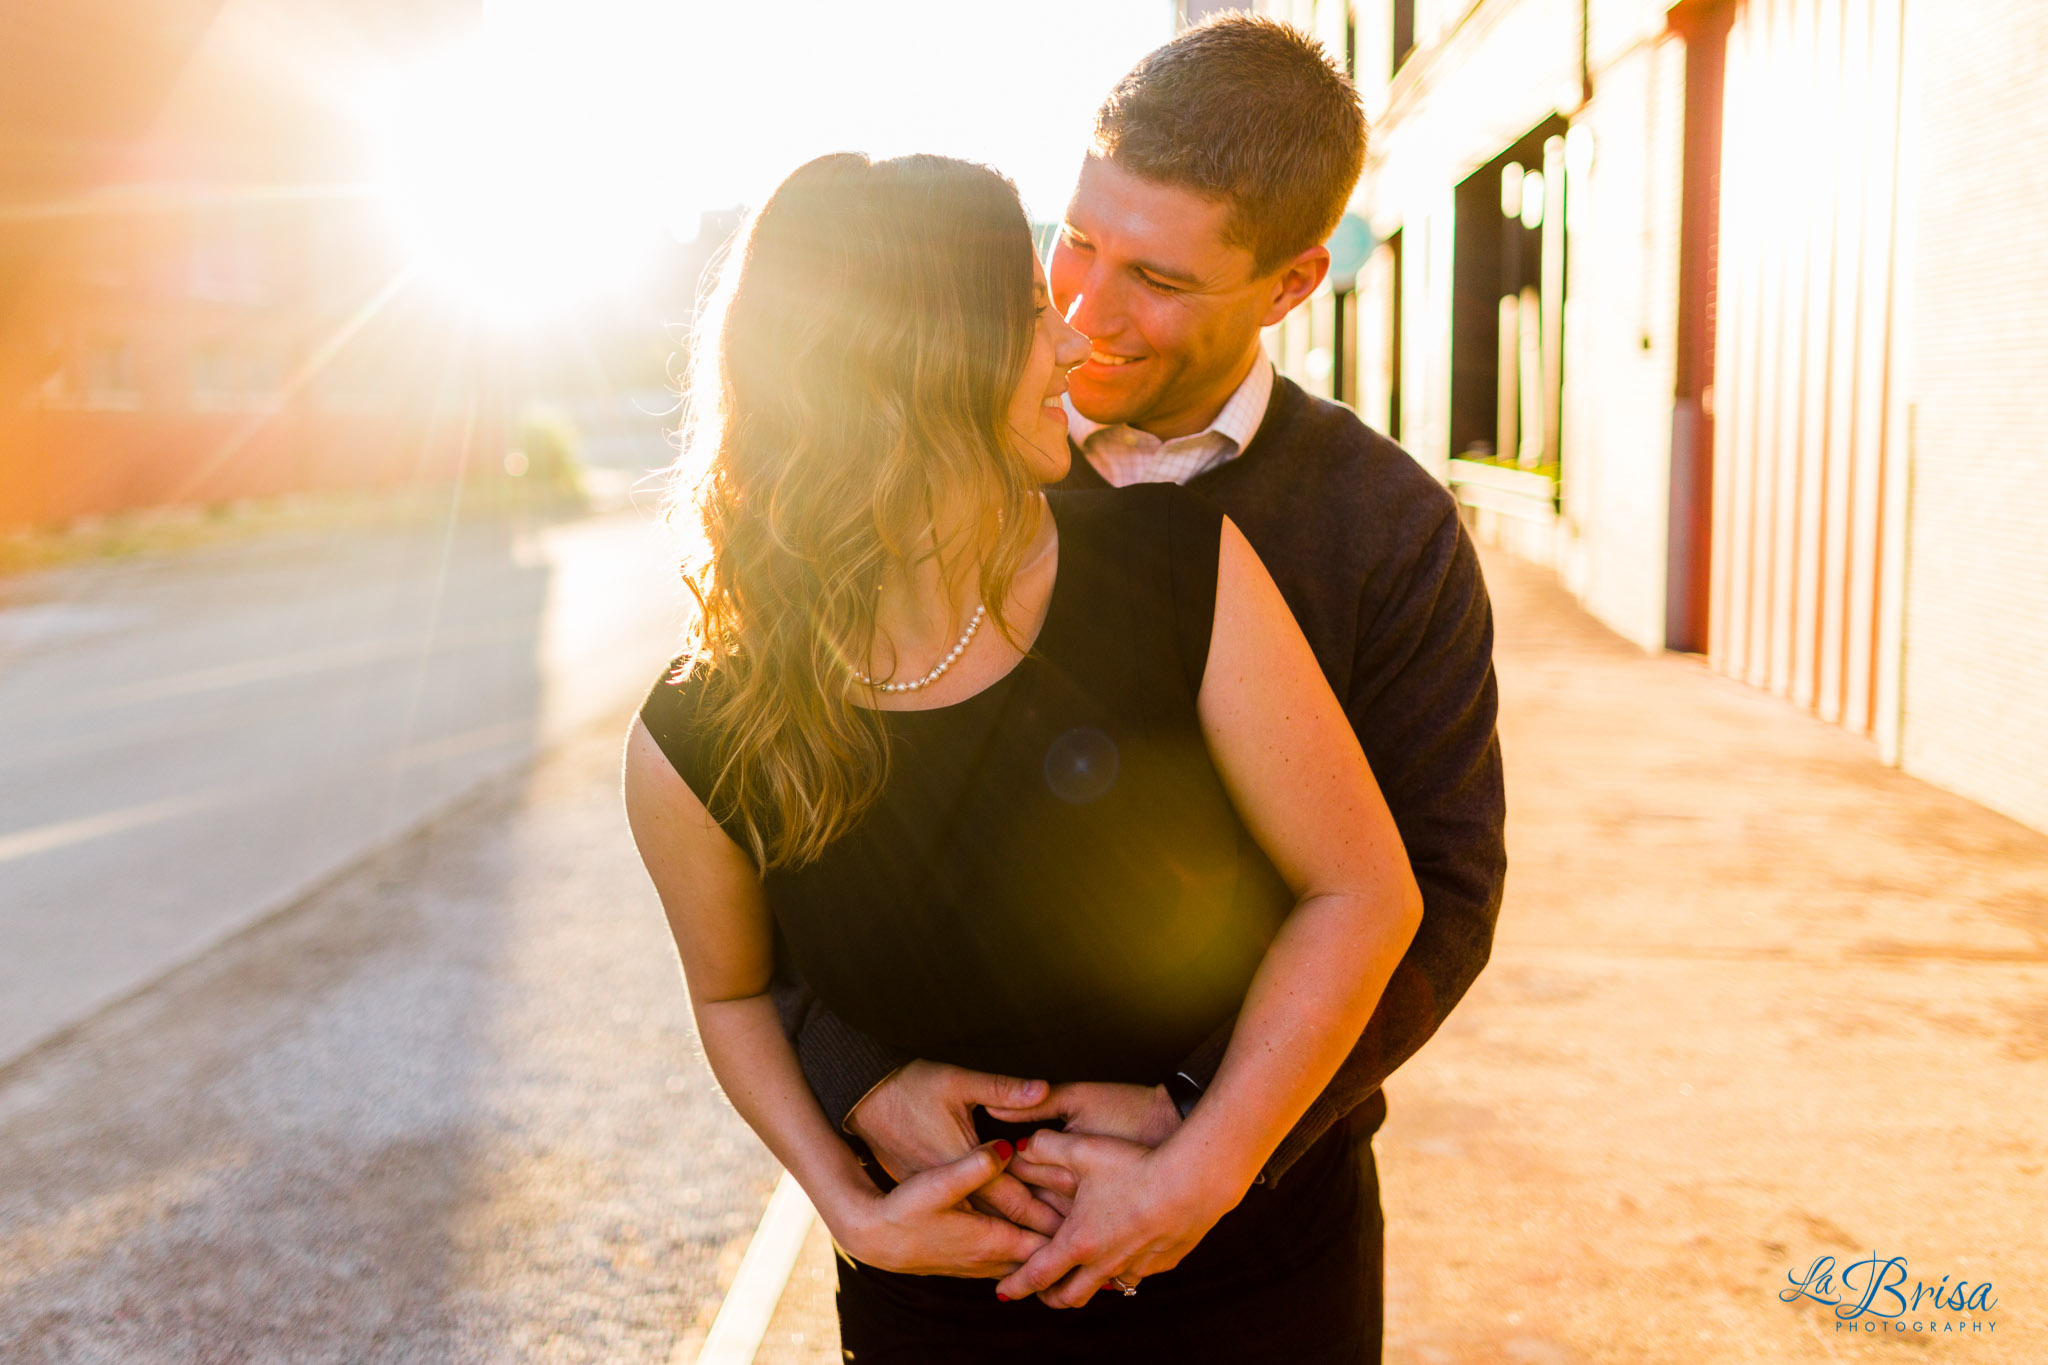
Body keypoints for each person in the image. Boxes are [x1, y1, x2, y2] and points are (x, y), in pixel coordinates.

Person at [773, 15, 1509, 1358]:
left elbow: (1439, 895)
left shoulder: (1381, 526)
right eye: (1078, 241)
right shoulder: (929, 452)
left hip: (1264, 1252)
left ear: (1291, 285)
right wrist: (857, 1073)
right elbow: (767, 823)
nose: (1083, 309)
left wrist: (1199, 1115)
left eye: (1157, 277)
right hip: (943, 1243)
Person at [625, 149, 1421, 1363]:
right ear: (920, 366)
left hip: (1254, 1280)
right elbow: (734, 994)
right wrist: (851, 1215)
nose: (1070, 347)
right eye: (1029, 311)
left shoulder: (1177, 567)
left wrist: (1196, 1172)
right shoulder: (692, 733)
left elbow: (1362, 892)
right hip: (942, 1315)